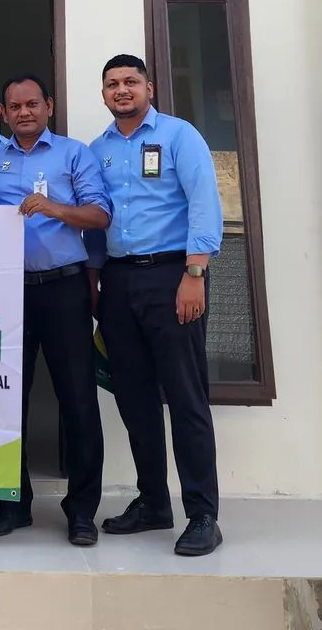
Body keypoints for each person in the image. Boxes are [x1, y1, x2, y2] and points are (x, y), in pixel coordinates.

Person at [90, 54, 224, 557]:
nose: (122, 90)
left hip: (173, 276)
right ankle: (152, 503)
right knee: (134, 399)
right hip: (118, 281)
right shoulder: (97, 150)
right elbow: (97, 218)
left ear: (149, 87)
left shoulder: (178, 136)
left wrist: (195, 272)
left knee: (186, 398)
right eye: (112, 84)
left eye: (131, 81)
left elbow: (204, 202)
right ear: (104, 93)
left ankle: (203, 514)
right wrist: (95, 280)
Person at [0, 74, 110, 547]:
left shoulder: (74, 154)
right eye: (15, 107)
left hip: (65, 289)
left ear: (48, 106)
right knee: (6, 399)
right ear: (4, 113)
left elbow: (100, 215)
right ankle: (13, 505)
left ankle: (82, 511)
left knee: (78, 400)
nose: (24, 112)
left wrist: (55, 209)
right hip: (9, 293)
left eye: (32, 104)